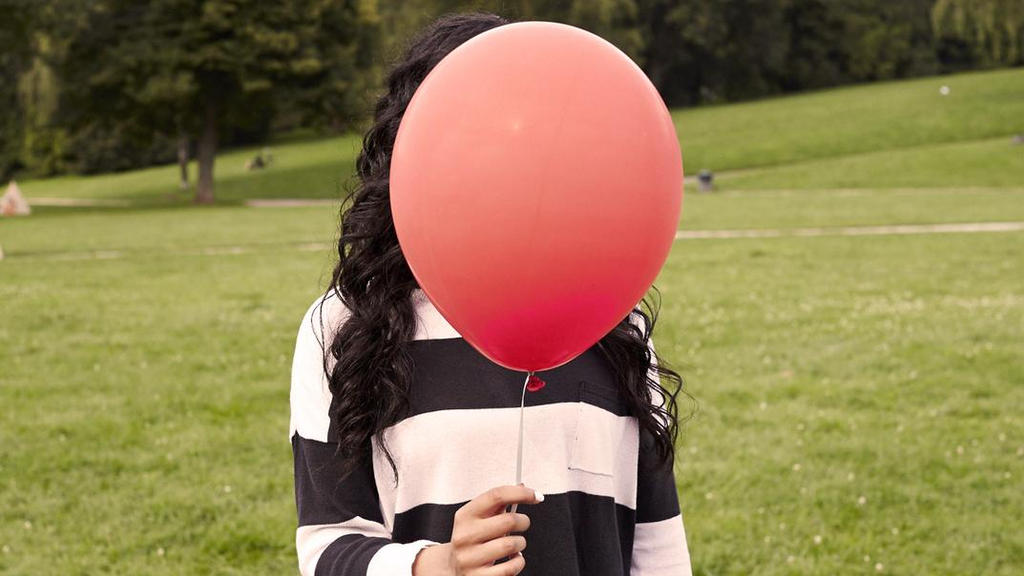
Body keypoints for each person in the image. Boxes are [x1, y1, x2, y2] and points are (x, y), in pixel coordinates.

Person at [289, 12, 692, 576]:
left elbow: (656, 545)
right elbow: (328, 547)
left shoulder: (613, 321)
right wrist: (438, 563)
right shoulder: (341, 328)